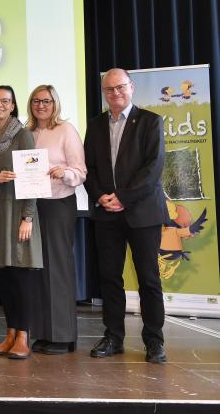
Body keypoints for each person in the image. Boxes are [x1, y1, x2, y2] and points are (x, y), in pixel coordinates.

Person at [84, 68, 168, 364]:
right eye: (109, 89)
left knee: (149, 278)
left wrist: (124, 197)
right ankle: (113, 337)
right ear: (103, 92)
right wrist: (100, 196)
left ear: (131, 87)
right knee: (109, 278)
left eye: (120, 87)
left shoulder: (150, 121)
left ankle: (154, 341)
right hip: (107, 214)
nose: (115, 93)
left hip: (142, 213)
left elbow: (153, 168)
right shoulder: (94, 125)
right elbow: (89, 168)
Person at [26, 85, 86, 355]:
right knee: (37, 270)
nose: (41, 105)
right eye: (36, 101)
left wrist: (65, 172)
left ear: (55, 103)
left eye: (46, 101)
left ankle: (62, 336)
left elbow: (80, 170)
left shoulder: (66, 130)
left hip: (58, 203)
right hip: (32, 205)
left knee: (57, 268)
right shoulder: (27, 133)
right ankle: (44, 333)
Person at [0, 85, 41, 360]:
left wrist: (27, 217)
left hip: (18, 212)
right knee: (5, 279)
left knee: (21, 277)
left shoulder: (23, 134)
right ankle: (9, 333)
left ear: (13, 105)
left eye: (5, 101)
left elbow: (33, 177)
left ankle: (23, 336)